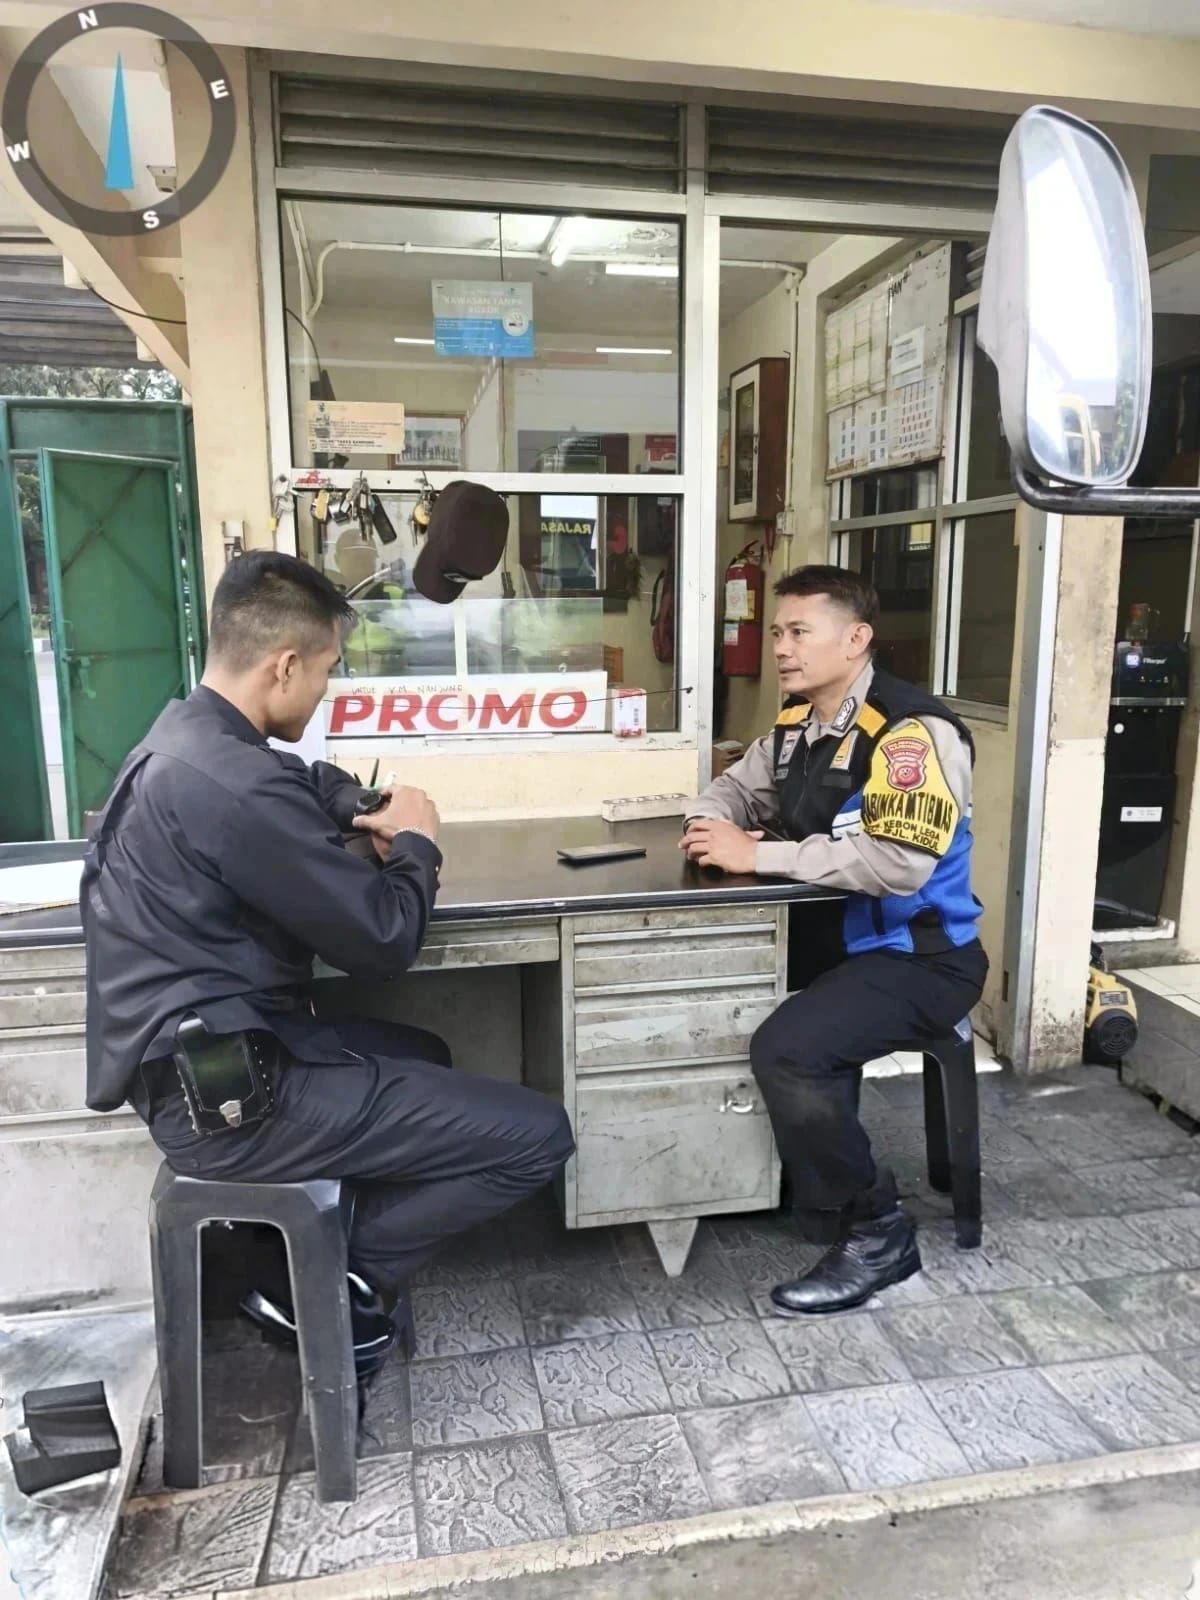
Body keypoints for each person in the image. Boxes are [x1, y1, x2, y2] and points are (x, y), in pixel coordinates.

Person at [83, 551, 574, 1377]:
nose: (326, 691)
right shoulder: (234, 787)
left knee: (425, 1051)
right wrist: (415, 841)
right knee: (539, 1136)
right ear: (284, 666)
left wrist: (363, 805)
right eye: (326, 670)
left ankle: (328, 1254)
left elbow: (303, 780)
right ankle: (331, 1277)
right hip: (236, 1104)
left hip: (203, 1068)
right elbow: (382, 942)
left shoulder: (191, 738)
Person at [682, 565, 986, 1315]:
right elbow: (735, 788)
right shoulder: (798, 725)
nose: (781, 649)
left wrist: (759, 856)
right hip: (835, 945)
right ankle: (780, 1183)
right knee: (707, 997)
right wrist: (709, 823)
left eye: (798, 632)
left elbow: (897, 864)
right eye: (776, 632)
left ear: (856, 639)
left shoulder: (911, 734)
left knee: (790, 1049)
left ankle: (878, 1229)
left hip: (919, 958)